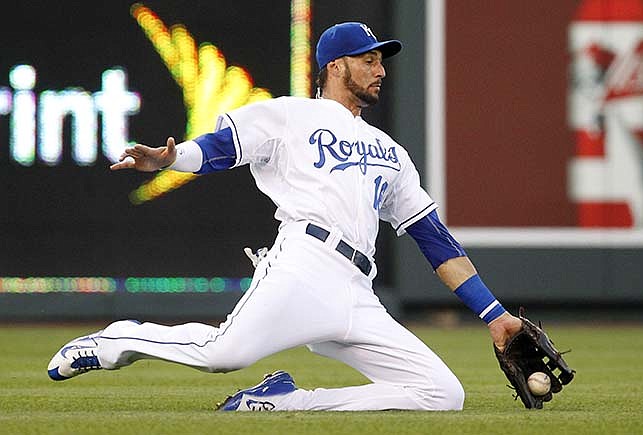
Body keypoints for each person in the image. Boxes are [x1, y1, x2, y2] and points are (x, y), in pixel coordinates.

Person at [47, 21, 522, 411]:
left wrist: (495, 315)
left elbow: (434, 241)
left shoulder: (391, 152)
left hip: (358, 290)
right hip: (305, 263)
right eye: (368, 59)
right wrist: (172, 161)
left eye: (380, 60)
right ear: (335, 66)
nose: (380, 70)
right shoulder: (289, 115)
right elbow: (220, 149)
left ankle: (286, 401)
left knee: (443, 394)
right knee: (222, 354)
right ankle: (117, 340)